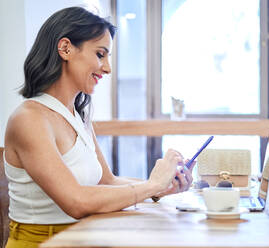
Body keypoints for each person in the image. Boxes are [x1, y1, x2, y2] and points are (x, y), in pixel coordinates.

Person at [3, 6, 194, 248]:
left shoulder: (78, 114)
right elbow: (76, 201)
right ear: (65, 48)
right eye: (100, 54)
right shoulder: (29, 119)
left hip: (85, 237)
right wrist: (151, 185)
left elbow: (107, 182)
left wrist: (161, 187)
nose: (108, 68)